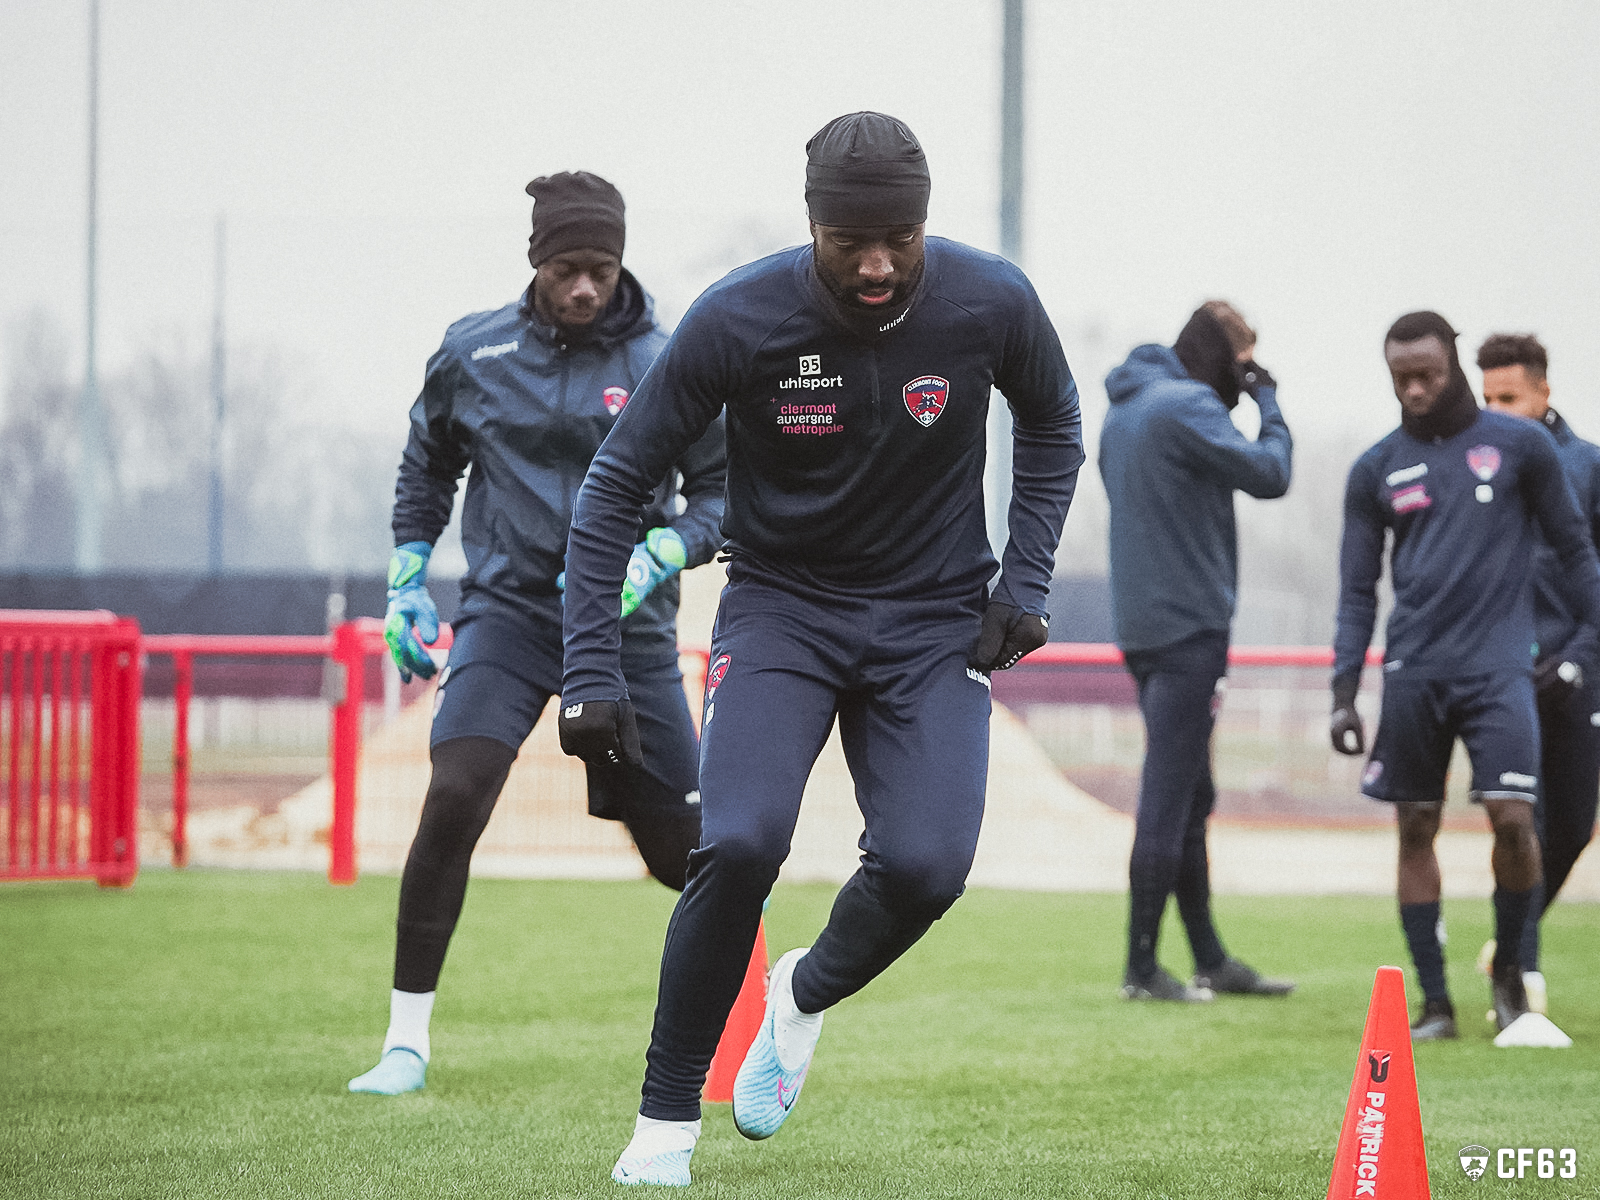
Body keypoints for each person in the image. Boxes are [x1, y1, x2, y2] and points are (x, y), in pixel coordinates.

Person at [557, 112, 1083, 1186]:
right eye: (853, 243)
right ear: (813, 227)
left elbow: (1056, 422)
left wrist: (1022, 584)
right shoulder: (737, 317)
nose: (880, 264)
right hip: (781, 609)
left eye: (902, 237)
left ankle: (800, 997)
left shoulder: (990, 300)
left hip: (933, 619)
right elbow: (615, 484)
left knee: (930, 866)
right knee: (741, 841)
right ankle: (663, 1126)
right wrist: (589, 668)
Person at [347, 171, 727, 1095]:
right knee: (456, 792)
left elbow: (724, 496)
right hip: (508, 618)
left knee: (687, 856)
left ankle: (757, 1017)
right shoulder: (473, 353)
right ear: (537, 264)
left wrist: (664, 551)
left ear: (622, 262)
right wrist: (405, 576)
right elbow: (426, 466)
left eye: (601, 268)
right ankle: (405, 1044)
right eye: (567, 268)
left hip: (626, 631)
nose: (586, 288)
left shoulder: (669, 361)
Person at [1330, 311, 1600, 1043]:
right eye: (1400, 379)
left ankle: (1510, 976)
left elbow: (1576, 553)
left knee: (1514, 820)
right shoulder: (1376, 467)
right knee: (1415, 826)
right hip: (1415, 672)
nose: (1414, 390)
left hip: (1498, 672)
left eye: (1427, 375)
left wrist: (1590, 641)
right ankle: (1435, 1003)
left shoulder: (1522, 447)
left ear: (1451, 365)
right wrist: (1344, 690)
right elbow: (1357, 591)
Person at [1098, 301, 1296, 1003]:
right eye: (1242, 362)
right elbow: (1271, 473)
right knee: (1167, 794)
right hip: (1190, 631)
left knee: (1191, 791)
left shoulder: (1125, 409)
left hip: (1142, 629)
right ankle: (1143, 968)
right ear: (1221, 356)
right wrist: (1267, 398)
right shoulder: (1184, 406)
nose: (1245, 379)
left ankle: (1209, 956)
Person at [1476, 332, 1600, 1020]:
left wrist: (1581, 655)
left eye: (1509, 397)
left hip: (1578, 671)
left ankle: (1509, 942)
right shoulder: (1479, 468)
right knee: (1520, 823)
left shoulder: (1589, 468)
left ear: (1544, 393)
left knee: (1575, 826)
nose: (1498, 409)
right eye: (1487, 397)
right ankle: (1518, 977)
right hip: (1504, 677)